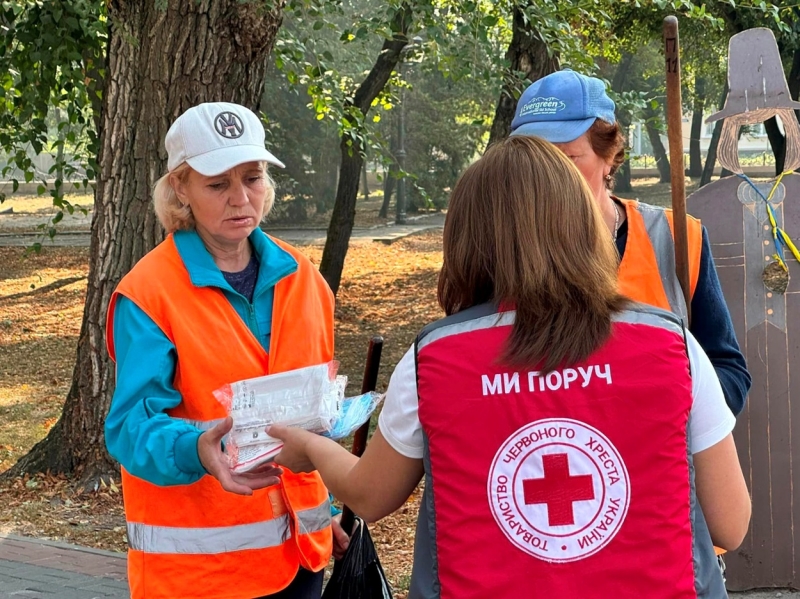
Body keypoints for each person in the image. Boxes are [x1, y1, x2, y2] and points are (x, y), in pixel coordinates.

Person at [269, 136, 751, 599]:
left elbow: (370, 497)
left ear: (468, 238)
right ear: (581, 222)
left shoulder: (433, 358)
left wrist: (310, 449)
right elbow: (731, 522)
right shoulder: (673, 344)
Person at [104, 102, 348, 599]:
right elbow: (130, 428)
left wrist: (326, 515)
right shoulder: (148, 294)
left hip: (301, 560)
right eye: (218, 184)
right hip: (200, 575)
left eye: (253, 178)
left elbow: (309, 411)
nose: (241, 199)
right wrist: (197, 447)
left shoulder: (304, 279)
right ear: (180, 188)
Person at [508, 69, 751, 416]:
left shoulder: (676, 236)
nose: (547, 178)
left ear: (609, 155)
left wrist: (659, 403)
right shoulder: (501, 248)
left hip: (659, 462)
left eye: (566, 159)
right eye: (533, 161)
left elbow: (729, 374)